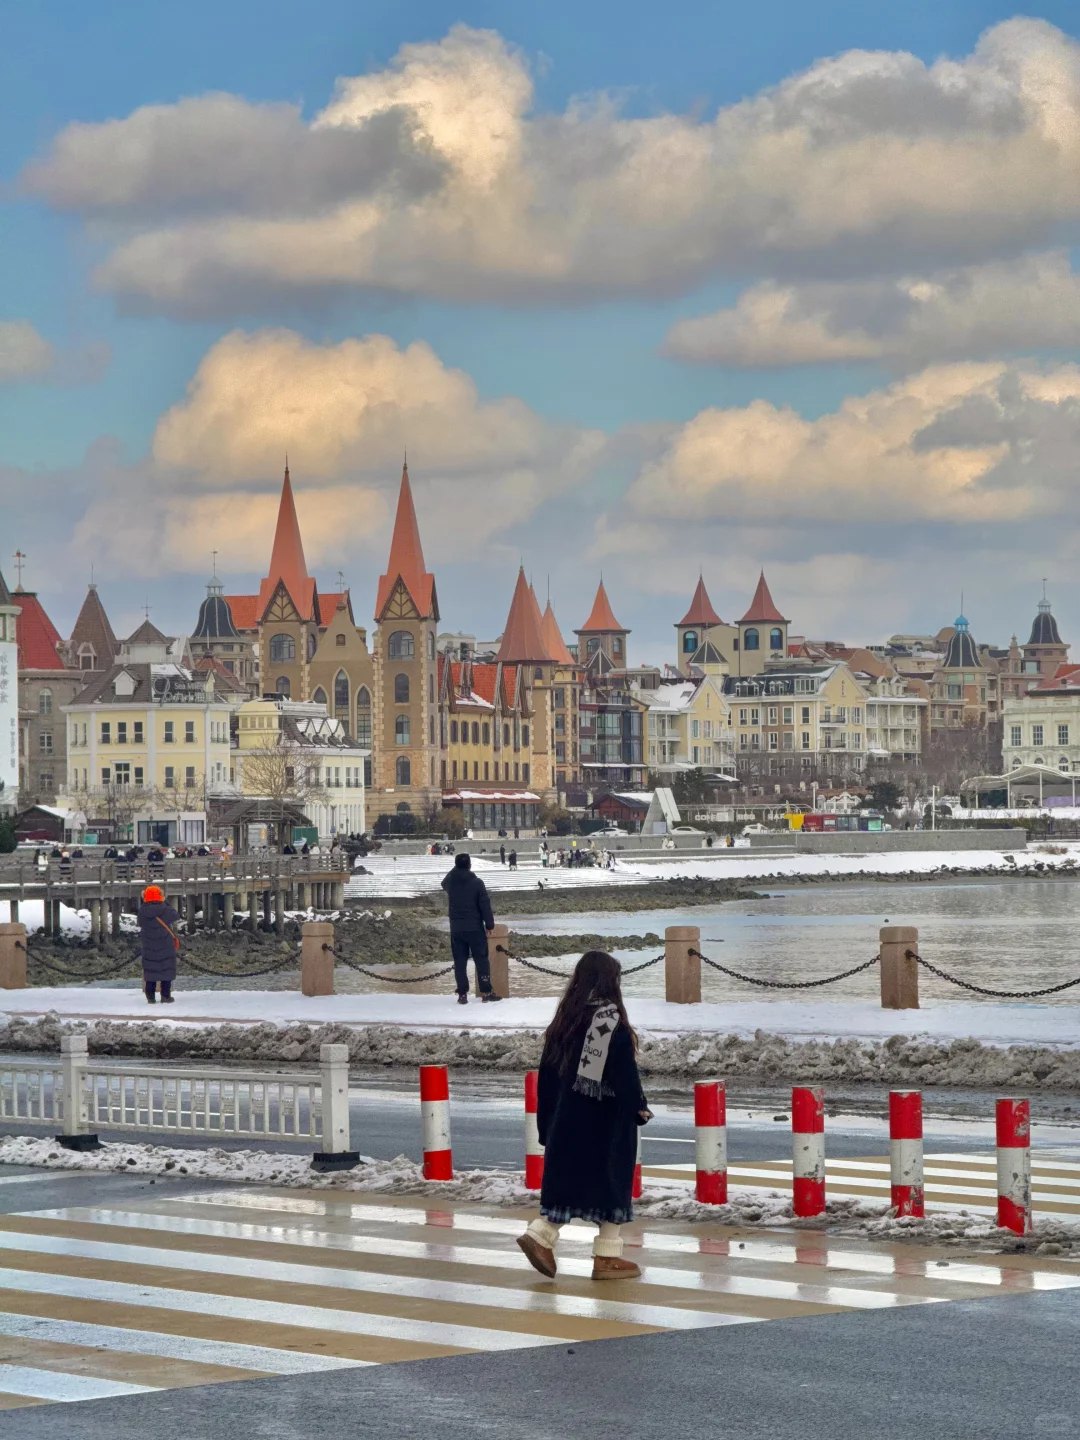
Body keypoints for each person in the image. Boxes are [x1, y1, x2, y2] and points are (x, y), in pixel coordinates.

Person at [518, 951, 650, 1281]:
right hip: (605, 1121)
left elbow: (545, 1079)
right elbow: (622, 1073)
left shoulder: (565, 1020)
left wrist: (546, 1124)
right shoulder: (608, 1021)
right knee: (612, 1182)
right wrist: (638, 1106)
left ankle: (542, 1236)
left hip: (566, 1120)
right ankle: (605, 1257)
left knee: (570, 1183)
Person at [440, 853, 500, 1005]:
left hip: (457, 929)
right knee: (481, 960)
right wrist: (490, 925)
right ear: (470, 865)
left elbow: (443, 882)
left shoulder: (451, 883)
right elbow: (484, 905)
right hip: (475, 928)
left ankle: (462, 994)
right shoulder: (477, 883)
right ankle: (486, 992)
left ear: (456, 865)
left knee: (460, 962)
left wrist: (458, 867)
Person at [137, 884, 180, 1004]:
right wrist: (164, 902)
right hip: (165, 943)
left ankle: (150, 997)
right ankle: (166, 996)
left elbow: (139, 922)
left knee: (150, 969)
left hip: (149, 944)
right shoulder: (165, 908)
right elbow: (175, 915)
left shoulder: (143, 910)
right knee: (166, 968)